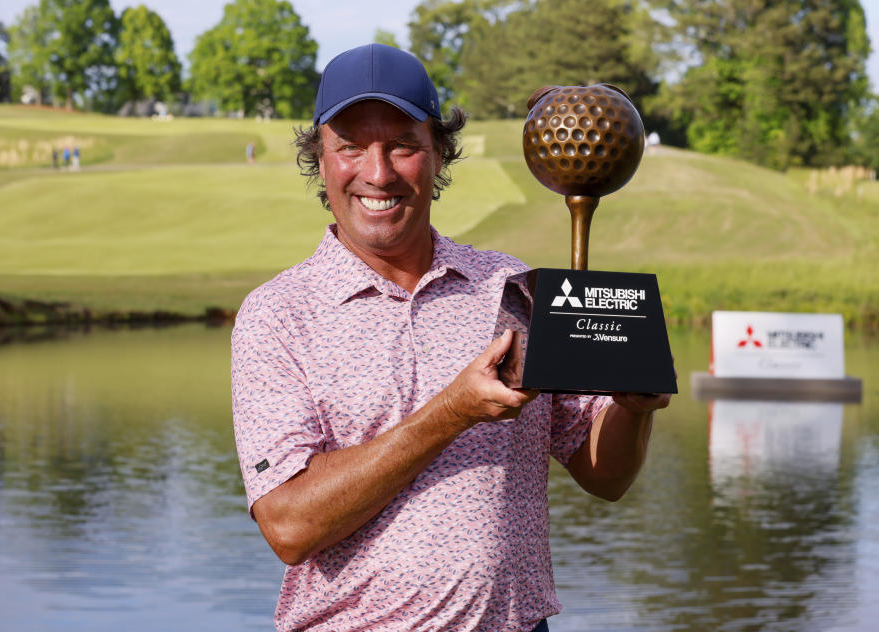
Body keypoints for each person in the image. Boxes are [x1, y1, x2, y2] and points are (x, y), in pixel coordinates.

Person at [231, 43, 673, 632]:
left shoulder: (510, 287)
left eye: (403, 146)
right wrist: (452, 413)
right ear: (321, 158)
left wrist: (632, 406)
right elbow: (289, 527)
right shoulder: (278, 315)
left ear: (439, 153)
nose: (378, 172)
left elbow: (606, 475)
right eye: (351, 147)